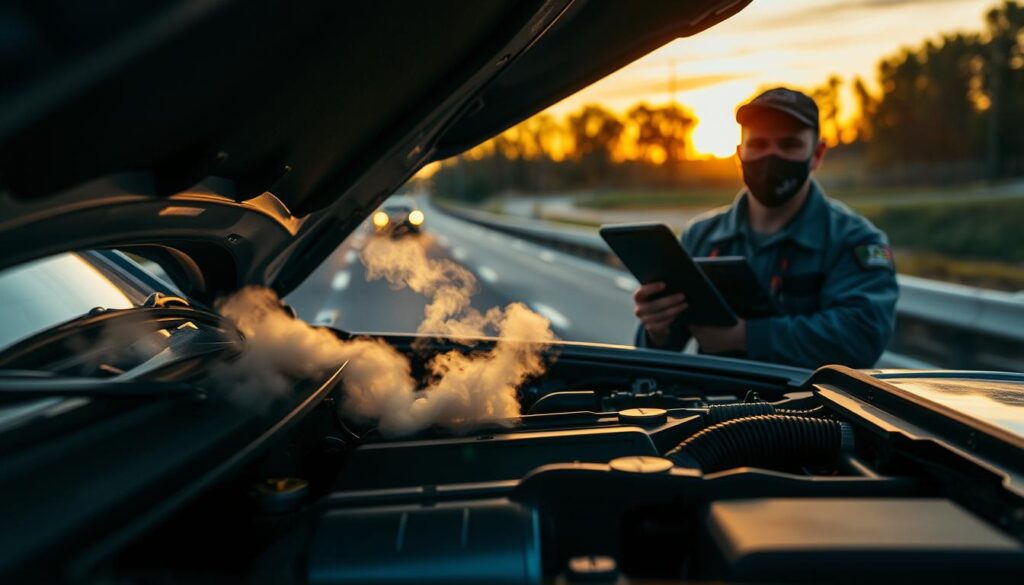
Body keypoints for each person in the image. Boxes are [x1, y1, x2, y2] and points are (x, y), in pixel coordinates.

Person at [633, 87, 898, 369]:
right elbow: (655, 358)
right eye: (758, 144)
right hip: (716, 409)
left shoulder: (854, 240)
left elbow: (861, 335)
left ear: (817, 154)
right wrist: (656, 329)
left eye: (789, 145)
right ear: (739, 154)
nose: (772, 157)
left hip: (810, 411)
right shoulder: (701, 236)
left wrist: (747, 336)